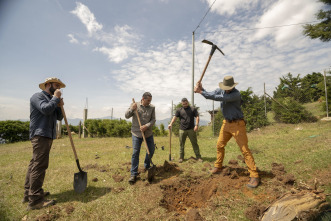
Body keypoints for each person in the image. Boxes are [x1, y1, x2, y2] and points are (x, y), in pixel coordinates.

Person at [194, 76, 260, 188]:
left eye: (229, 88)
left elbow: (218, 98)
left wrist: (200, 92)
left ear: (233, 86)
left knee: (244, 150)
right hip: (226, 124)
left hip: (238, 124)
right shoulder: (221, 90)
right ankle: (218, 166)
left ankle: (254, 175)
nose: (227, 89)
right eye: (225, 88)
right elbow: (211, 93)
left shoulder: (236, 95)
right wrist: (202, 88)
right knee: (219, 145)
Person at [23, 77, 66, 210]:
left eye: (59, 86)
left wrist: (59, 105)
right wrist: (55, 99)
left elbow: (58, 117)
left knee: (35, 164)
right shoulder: (37, 97)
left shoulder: (52, 99)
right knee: (39, 165)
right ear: (48, 85)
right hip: (40, 134)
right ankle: (35, 200)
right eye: (56, 85)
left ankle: (29, 193)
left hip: (47, 134)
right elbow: (45, 109)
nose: (58, 88)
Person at [125, 92, 156, 184]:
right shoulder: (134, 105)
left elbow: (153, 120)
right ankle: (133, 174)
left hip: (148, 133)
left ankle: (147, 165)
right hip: (136, 133)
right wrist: (132, 109)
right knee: (135, 152)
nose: (149, 102)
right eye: (148, 100)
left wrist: (146, 126)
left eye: (150, 100)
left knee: (151, 149)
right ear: (143, 98)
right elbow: (126, 116)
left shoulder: (152, 107)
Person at [168, 98, 202, 163]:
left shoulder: (193, 109)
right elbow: (175, 117)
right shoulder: (179, 110)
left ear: (188, 102)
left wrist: (196, 125)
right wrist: (170, 124)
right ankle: (181, 157)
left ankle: (198, 157)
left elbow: (197, 116)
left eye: (186, 103)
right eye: (183, 104)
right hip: (182, 130)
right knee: (181, 144)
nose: (185, 105)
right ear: (181, 104)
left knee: (194, 143)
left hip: (191, 129)